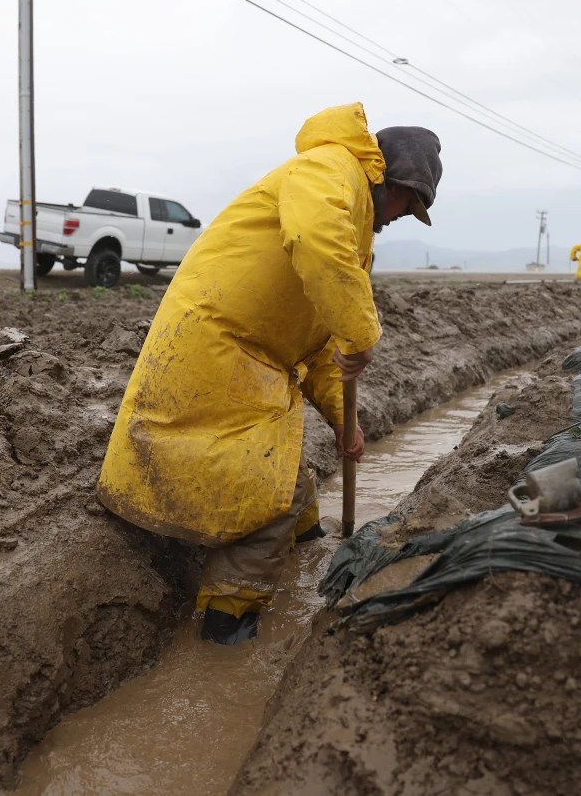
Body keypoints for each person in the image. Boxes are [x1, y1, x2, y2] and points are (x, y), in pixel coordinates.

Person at [96, 103, 441, 644]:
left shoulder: (356, 229)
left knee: (293, 485)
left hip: (252, 360)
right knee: (266, 507)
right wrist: (362, 330)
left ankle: (311, 562)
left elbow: (325, 348)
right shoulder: (333, 169)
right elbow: (313, 242)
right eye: (409, 203)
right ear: (390, 179)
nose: (403, 215)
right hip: (217, 351)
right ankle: (226, 630)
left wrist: (342, 423)